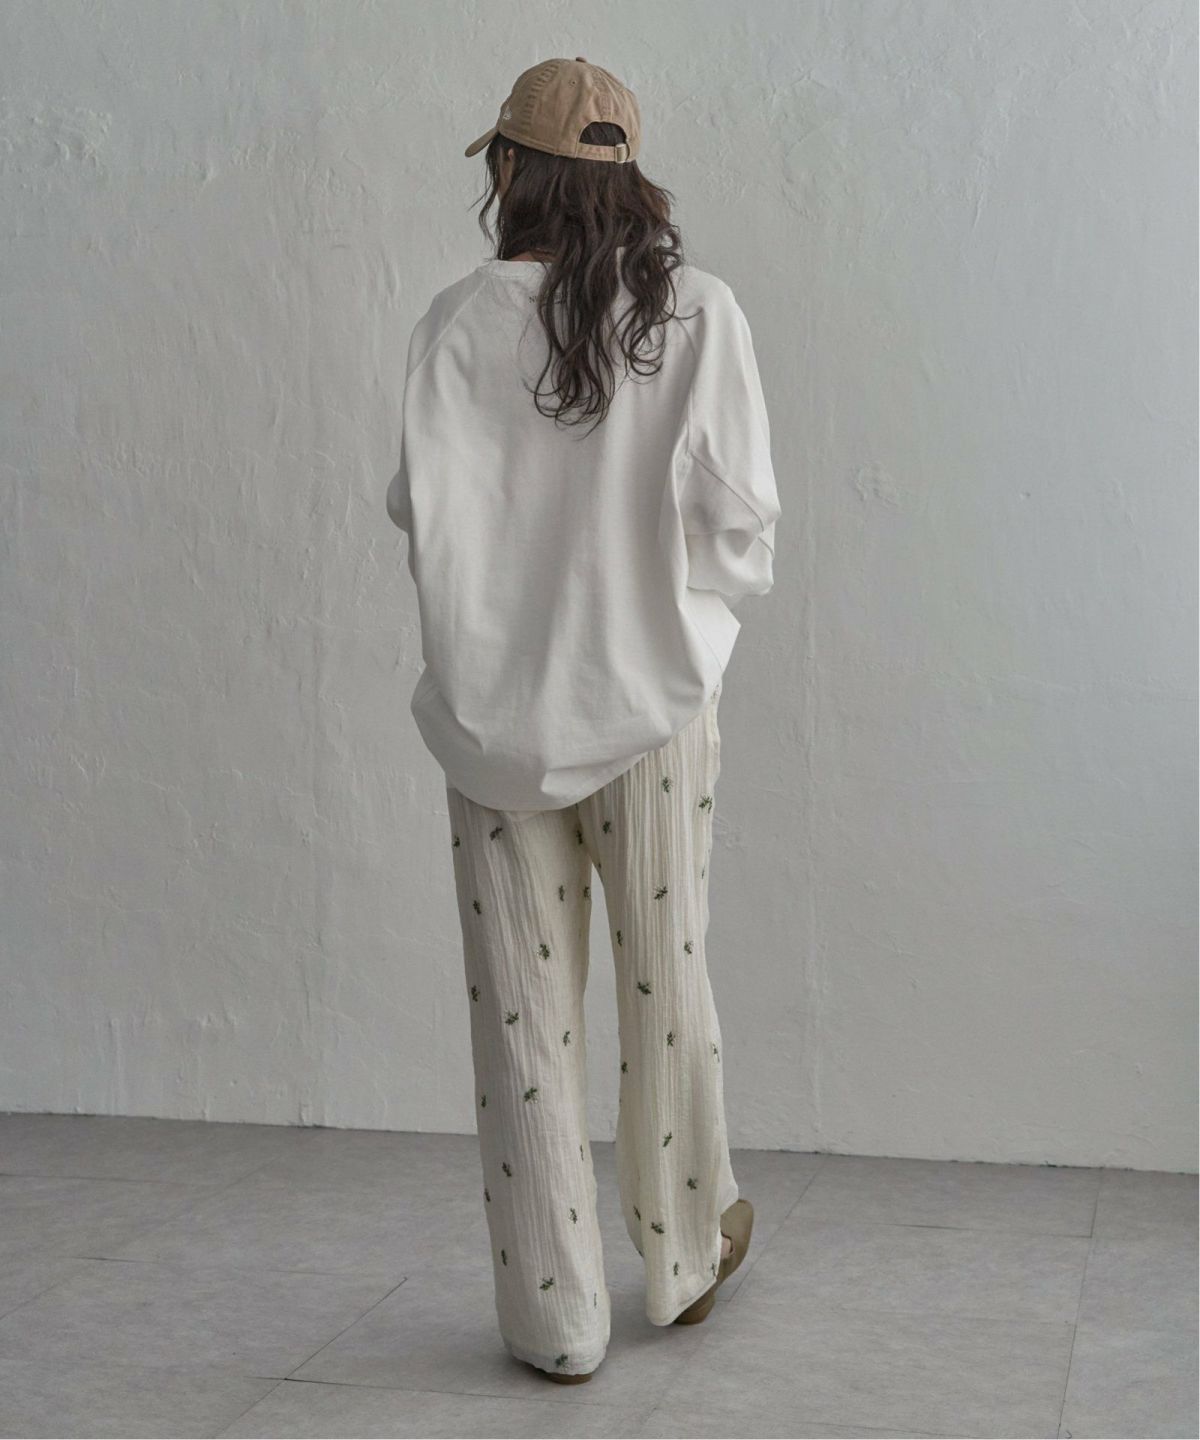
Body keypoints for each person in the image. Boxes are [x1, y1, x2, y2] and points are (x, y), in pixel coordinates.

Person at [385, 56, 779, 1382]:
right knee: (668, 980)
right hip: (651, 706)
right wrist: (682, 628)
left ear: (509, 168)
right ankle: (683, 1259)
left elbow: (419, 516)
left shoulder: (452, 323)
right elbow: (743, 529)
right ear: (629, 175)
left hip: (492, 724)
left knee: (520, 1019)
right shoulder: (697, 312)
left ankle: (555, 1321)